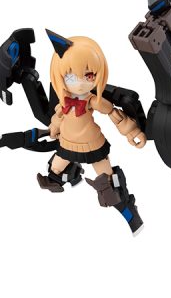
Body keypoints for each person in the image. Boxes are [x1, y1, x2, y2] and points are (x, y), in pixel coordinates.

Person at [37, 30, 147, 236]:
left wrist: (131, 131)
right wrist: (54, 128)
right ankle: (69, 176)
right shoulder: (64, 101)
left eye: (88, 76)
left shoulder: (93, 101)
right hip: (67, 144)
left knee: (108, 183)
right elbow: (58, 117)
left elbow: (114, 114)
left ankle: (129, 213)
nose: (80, 83)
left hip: (91, 145)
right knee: (54, 169)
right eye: (71, 77)